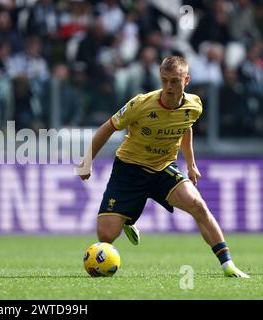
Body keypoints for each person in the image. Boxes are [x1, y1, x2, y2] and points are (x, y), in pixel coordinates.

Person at [76, 56, 249, 278]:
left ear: (187, 80)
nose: (168, 86)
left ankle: (228, 265)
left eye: (175, 81)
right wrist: (87, 160)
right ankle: (128, 219)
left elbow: (185, 127)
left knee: (198, 205)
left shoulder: (194, 105)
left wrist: (191, 163)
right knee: (106, 236)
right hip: (129, 169)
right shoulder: (141, 104)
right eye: (165, 80)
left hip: (162, 168)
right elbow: (107, 127)